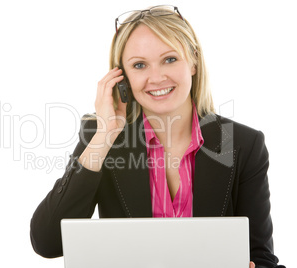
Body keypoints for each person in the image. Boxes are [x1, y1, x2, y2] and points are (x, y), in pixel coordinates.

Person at [30, 5, 285, 268]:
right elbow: (48, 243)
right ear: (123, 79)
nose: (157, 77)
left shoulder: (243, 144)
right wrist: (105, 135)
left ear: (194, 61)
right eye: (139, 65)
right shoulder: (103, 139)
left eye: (170, 59)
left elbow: (261, 256)